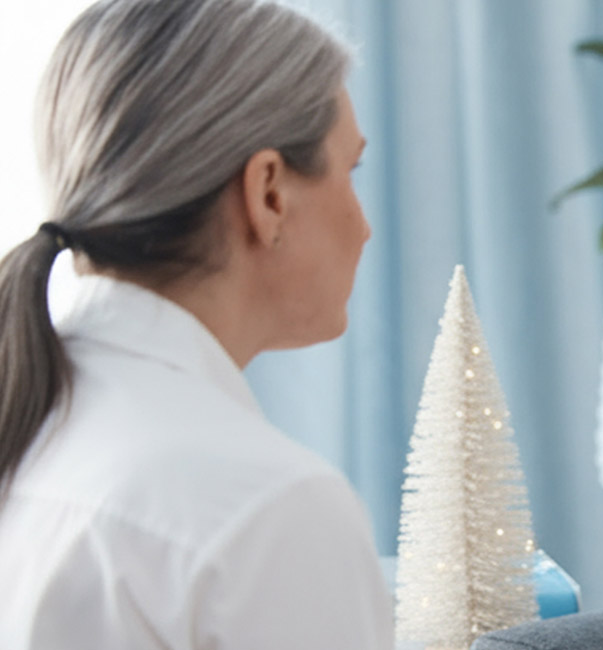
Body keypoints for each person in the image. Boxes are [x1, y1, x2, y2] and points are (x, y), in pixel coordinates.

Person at [0, 0, 387, 647]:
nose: (365, 226)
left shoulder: (32, 431)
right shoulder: (269, 510)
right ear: (268, 193)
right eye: (351, 171)